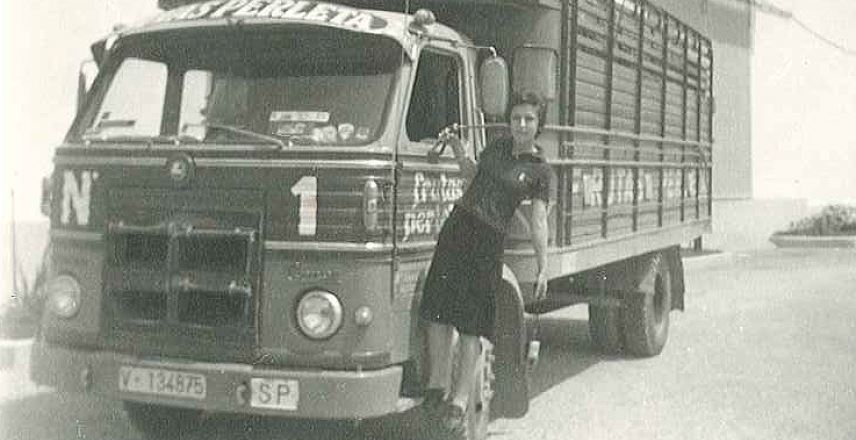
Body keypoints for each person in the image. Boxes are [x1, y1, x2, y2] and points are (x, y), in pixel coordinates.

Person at [419, 90, 555, 433]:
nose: (521, 125)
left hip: (488, 242)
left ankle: (460, 400)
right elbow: (470, 177)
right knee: (437, 312)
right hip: (457, 228)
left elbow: (539, 221)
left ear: (539, 125)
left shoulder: (540, 171)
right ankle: (437, 387)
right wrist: (457, 148)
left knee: (470, 325)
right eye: (516, 118)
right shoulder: (495, 148)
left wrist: (543, 265)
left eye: (528, 119)